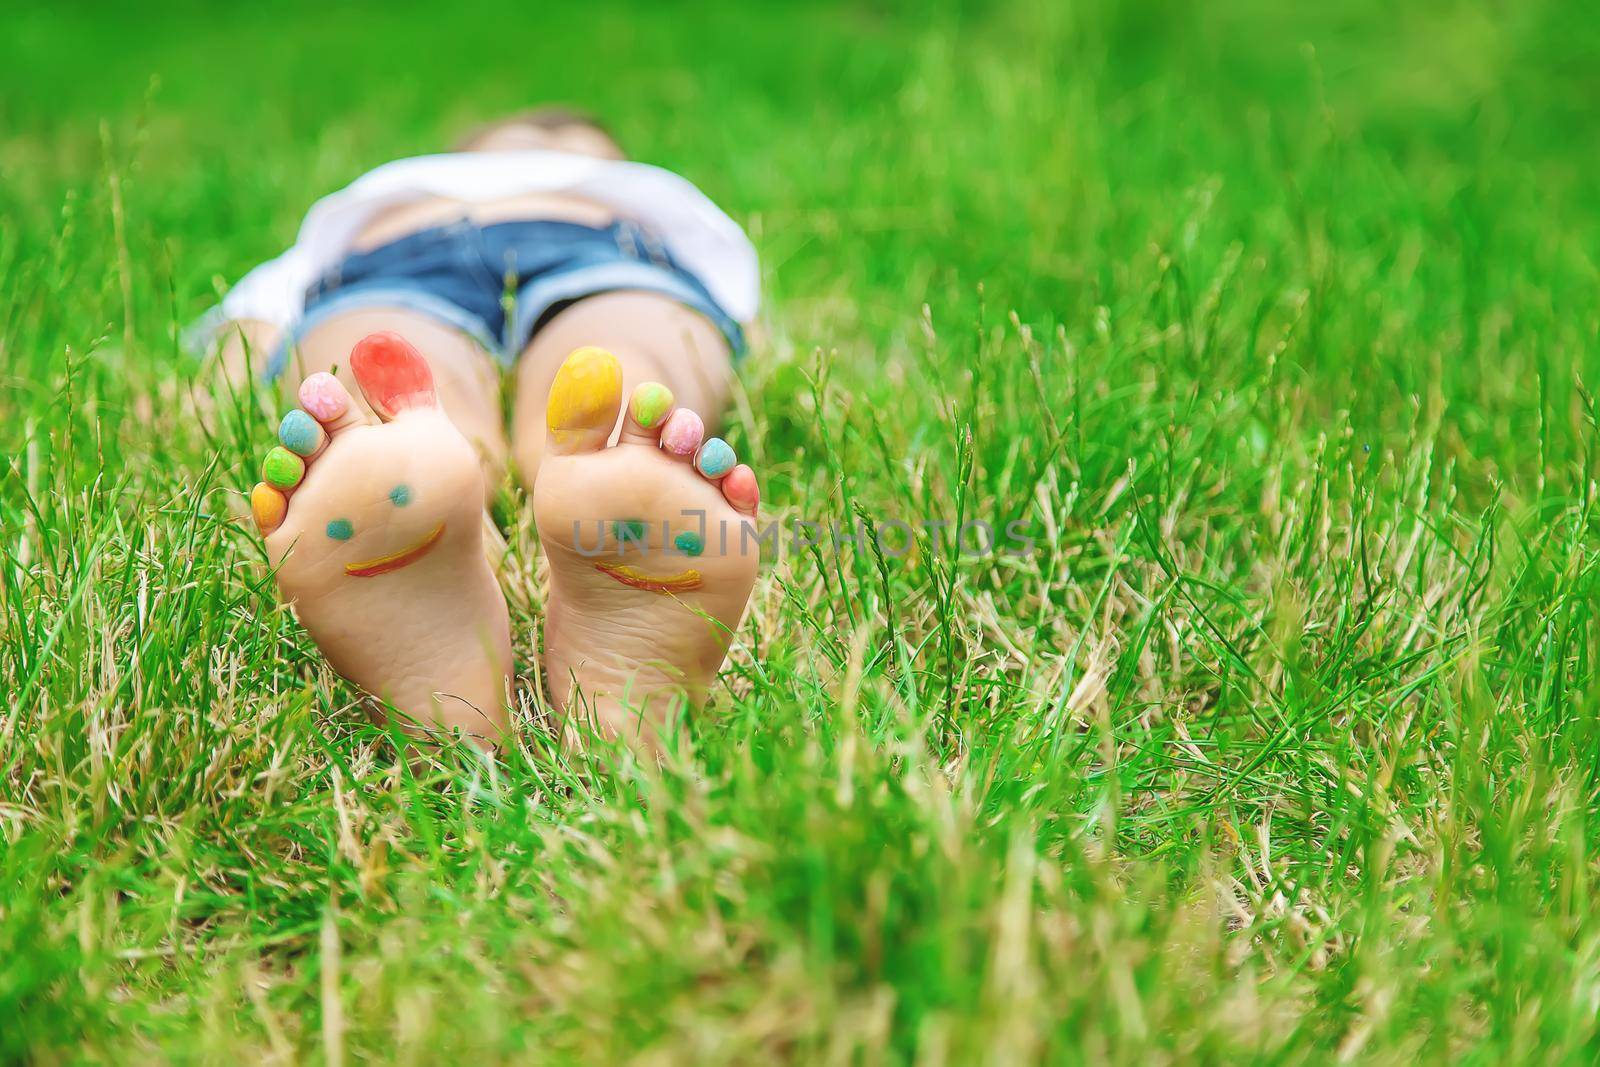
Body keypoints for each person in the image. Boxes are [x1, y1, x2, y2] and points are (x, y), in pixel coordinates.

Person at [198, 109, 763, 752]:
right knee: (398, 374)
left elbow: (249, 326)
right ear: (463, 153)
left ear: (613, 164)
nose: (542, 145)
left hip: (533, 252)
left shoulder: (649, 202)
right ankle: (446, 486)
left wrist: (213, 381)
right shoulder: (392, 193)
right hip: (435, 257)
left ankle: (458, 510)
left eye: (571, 144)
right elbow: (256, 312)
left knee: (600, 378)